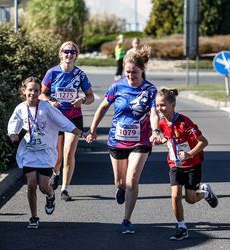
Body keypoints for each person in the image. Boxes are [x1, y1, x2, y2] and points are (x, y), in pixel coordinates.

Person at [86, 46, 161, 234]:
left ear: (142, 70)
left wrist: (155, 130)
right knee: (120, 182)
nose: (130, 76)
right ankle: (120, 188)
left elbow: (153, 113)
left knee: (132, 180)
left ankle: (126, 220)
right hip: (117, 140)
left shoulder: (150, 90)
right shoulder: (117, 86)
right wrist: (93, 129)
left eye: (134, 72)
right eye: (127, 72)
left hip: (141, 141)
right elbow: (103, 107)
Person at [8, 77, 84, 229]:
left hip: (46, 153)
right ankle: (34, 217)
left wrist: (82, 133)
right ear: (24, 91)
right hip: (28, 152)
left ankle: (50, 195)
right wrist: (13, 135)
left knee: (43, 186)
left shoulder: (46, 107)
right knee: (31, 184)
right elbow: (13, 126)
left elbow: (63, 122)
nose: (33, 93)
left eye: (36, 90)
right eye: (30, 90)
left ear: (39, 91)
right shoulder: (20, 108)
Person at [154, 88, 218, 241]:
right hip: (175, 164)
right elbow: (169, 138)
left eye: (163, 105)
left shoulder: (184, 122)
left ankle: (206, 192)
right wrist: (161, 140)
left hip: (192, 165)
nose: (160, 109)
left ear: (173, 104)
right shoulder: (162, 123)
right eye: (157, 105)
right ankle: (181, 227)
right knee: (175, 195)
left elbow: (203, 142)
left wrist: (190, 154)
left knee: (190, 199)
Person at [39, 41, 94, 201]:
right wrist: (50, 102)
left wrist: (82, 101)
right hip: (55, 119)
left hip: (73, 118)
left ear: (76, 55)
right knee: (58, 155)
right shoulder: (52, 73)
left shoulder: (80, 75)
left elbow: (90, 96)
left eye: (72, 52)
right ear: (61, 54)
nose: (69, 54)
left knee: (69, 153)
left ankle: (65, 189)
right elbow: (41, 94)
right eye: (66, 51)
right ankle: (56, 172)